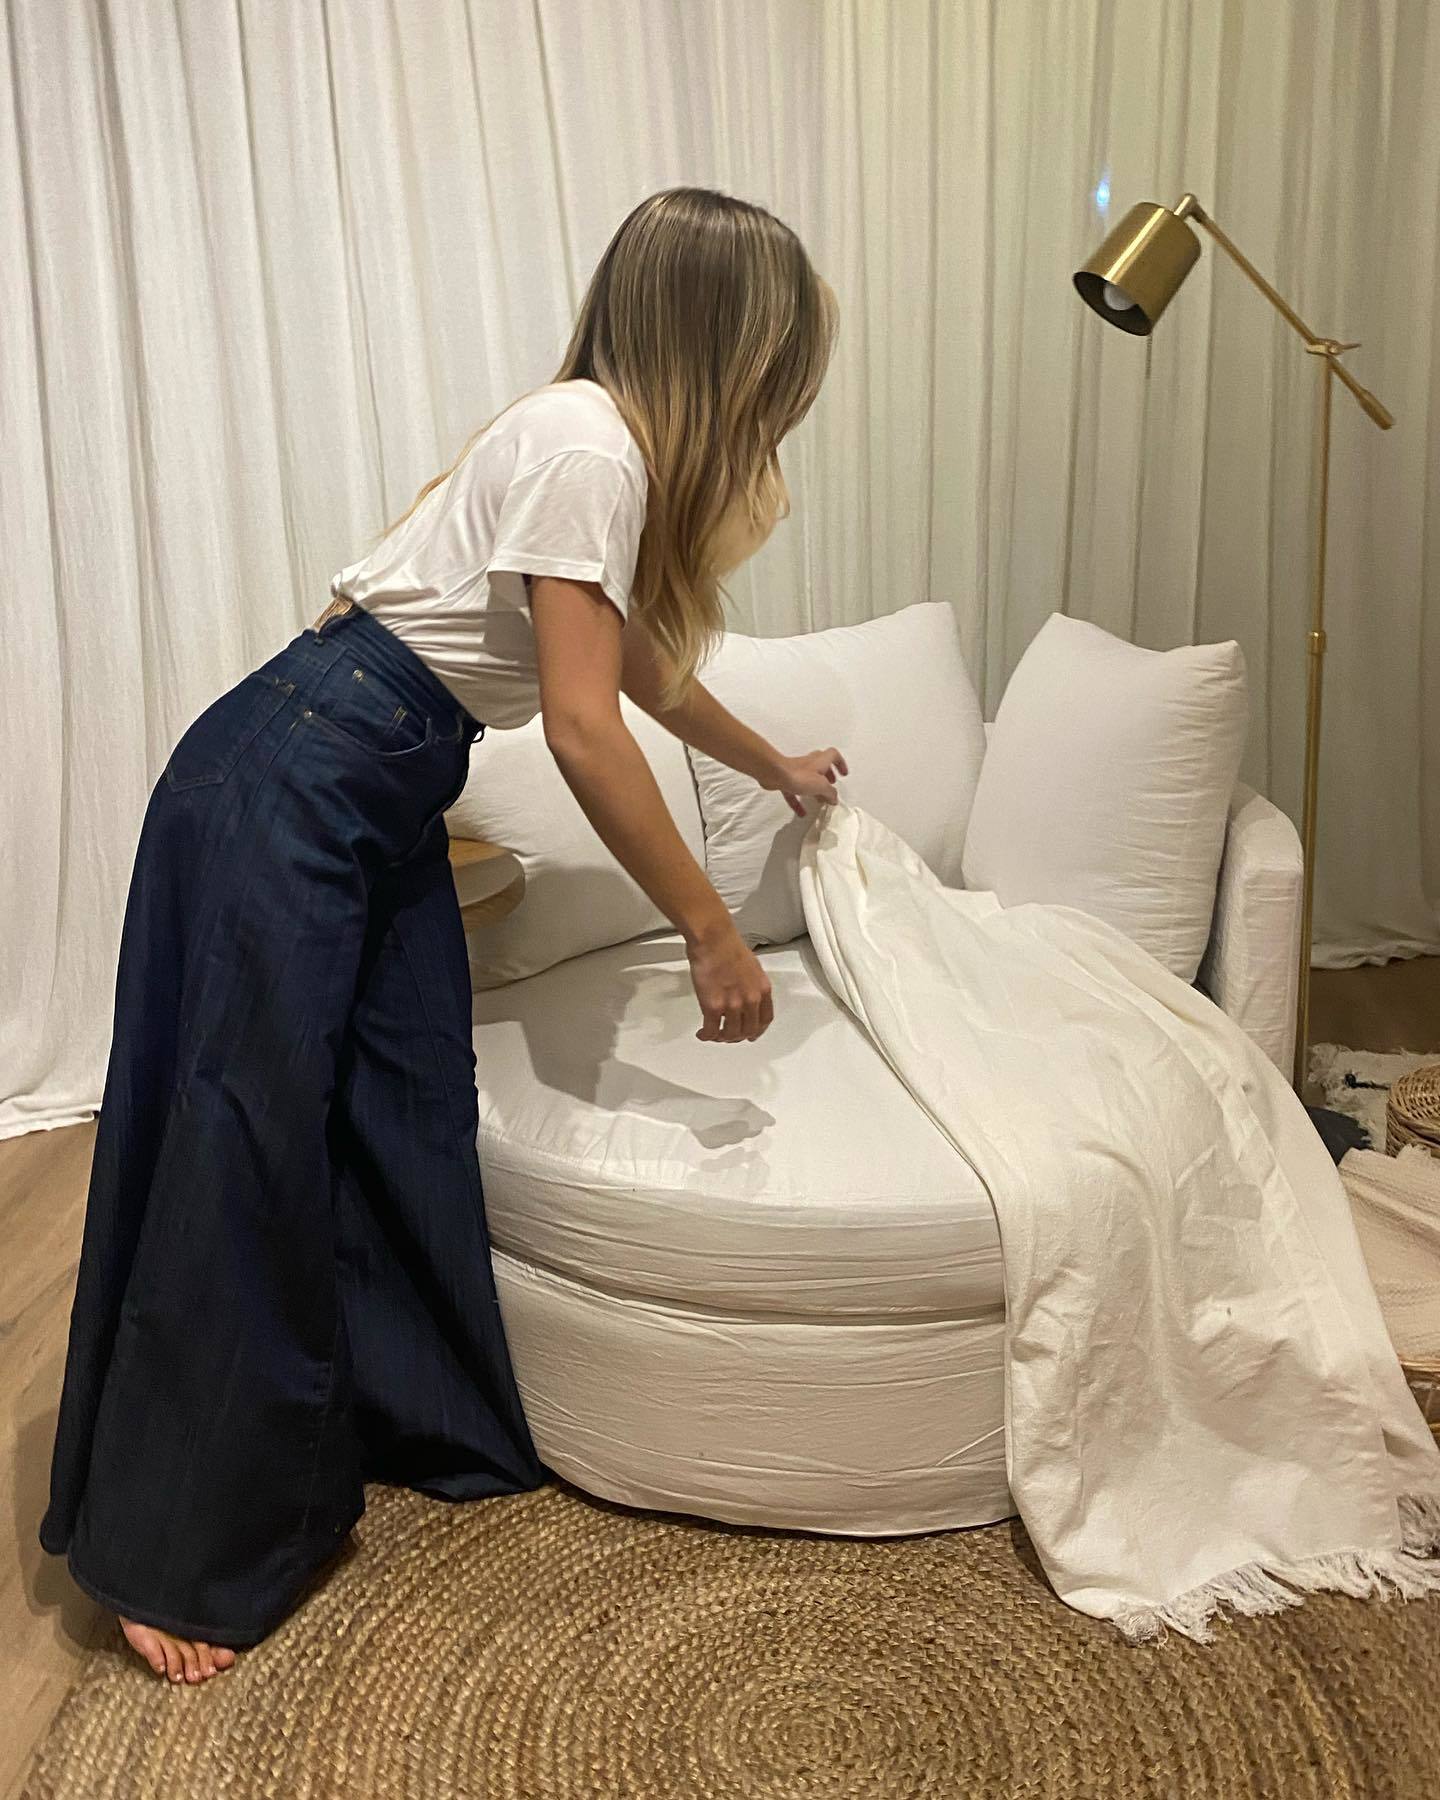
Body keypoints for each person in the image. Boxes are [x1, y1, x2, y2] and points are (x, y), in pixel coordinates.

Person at [40, 186, 845, 1682]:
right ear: (728, 342)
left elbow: (642, 672)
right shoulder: (588, 445)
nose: (782, 399)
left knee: (407, 1098)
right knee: (245, 1132)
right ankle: (169, 1549)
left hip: (377, 782)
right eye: (780, 362)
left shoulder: (591, 452)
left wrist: (774, 765)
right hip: (293, 778)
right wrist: (710, 928)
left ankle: (395, 1419)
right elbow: (590, 732)